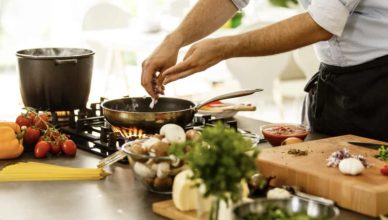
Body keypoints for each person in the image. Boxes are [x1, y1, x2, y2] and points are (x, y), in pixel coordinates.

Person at [141, 0, 388, 141]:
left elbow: (322, 23)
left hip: (381, 84)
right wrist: (174, 40)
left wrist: (225, 47)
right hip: (333, 84)